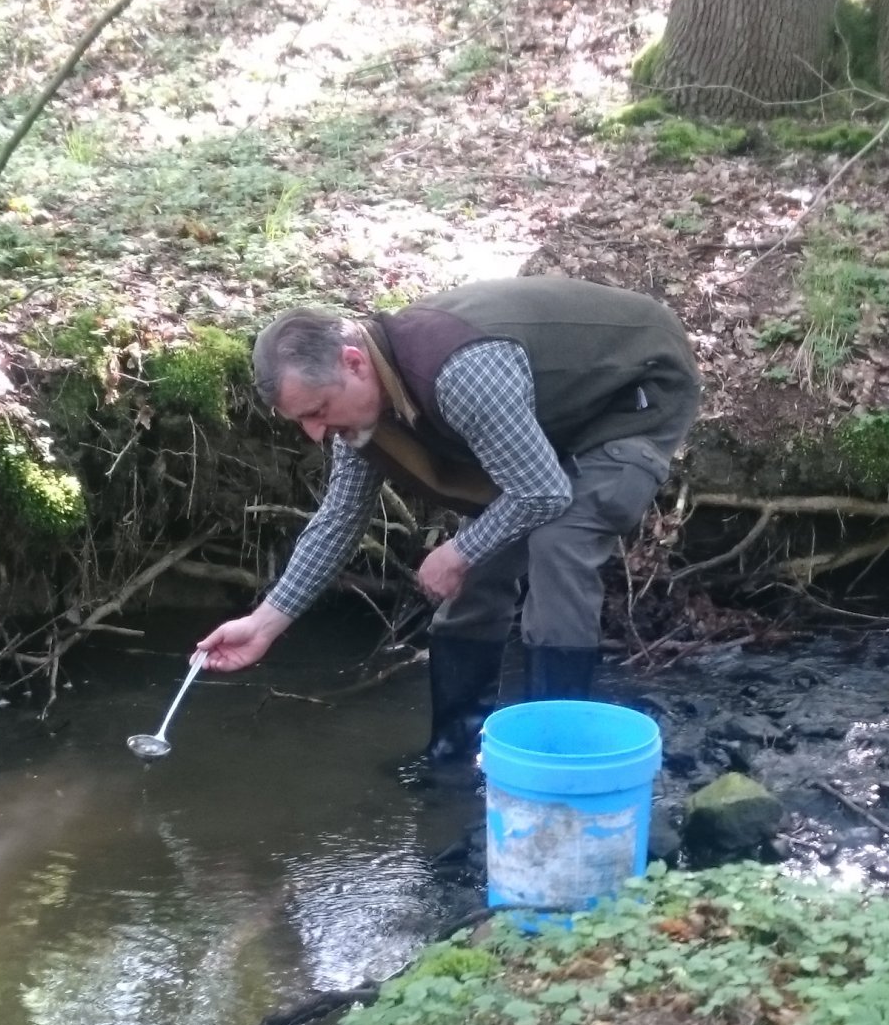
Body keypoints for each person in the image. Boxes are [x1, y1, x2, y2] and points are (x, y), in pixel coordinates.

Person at [196, 276, 703, 762]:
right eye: (302, 420)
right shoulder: (361, 413)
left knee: (559, 541)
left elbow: (543, 492)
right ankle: (454, 756)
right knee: (479, 571)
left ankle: (554, 759)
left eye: (317, 410)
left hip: (636, 391)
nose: (314, 432)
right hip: (554, 417)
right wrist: (264, 622)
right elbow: (340, 519)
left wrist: (459, 550)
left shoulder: (460, 375)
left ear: (353, 363)